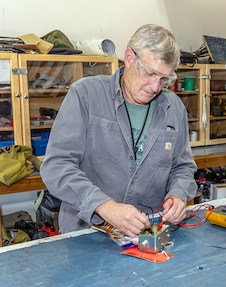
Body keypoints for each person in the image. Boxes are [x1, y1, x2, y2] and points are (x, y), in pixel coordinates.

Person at [40, 24, 198, 238]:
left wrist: (178, 195)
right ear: (129, 57)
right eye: (150, 73)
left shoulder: (174, 108)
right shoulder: (85, 95)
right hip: (88, 232)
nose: (155, 87)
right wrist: (104, 206)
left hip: (148, 232)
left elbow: (183, 166)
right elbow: (57, 166)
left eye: (164, 79)